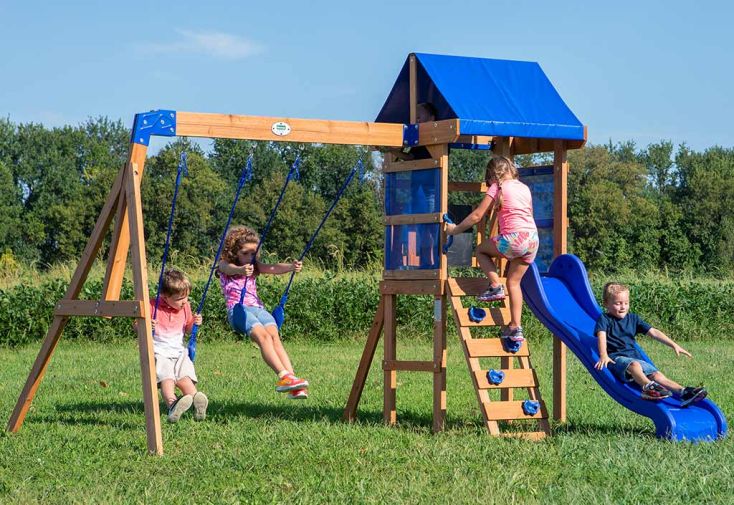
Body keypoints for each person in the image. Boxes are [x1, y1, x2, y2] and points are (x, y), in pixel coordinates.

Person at [445, 155, 538, 342]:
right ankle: (515, 327)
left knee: (480, 250)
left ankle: (495, 285)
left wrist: (454, 230)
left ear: (493, 176)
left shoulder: (499, 186)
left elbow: (477, 216)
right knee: (514, 283)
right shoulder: (524, 187)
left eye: (487, 181)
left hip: (514, 239)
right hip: (532, 241)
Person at [218, 225, 309, 399]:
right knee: (264, 337)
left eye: (253, 253)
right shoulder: (225, 264)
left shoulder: (255, 265)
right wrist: (240, 270)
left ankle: (293, 382)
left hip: (258, 308)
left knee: (275, 338)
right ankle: (283, 376)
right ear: (234, 252)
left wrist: (291, 266)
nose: (250, 257)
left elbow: (273, 268)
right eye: (245, 253)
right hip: (239, 311)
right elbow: (227, 269)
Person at [593, 282, 707, 405]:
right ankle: (648, 388)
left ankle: (683, 392)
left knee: (657, 375)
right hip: (616, 359)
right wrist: (603, 355)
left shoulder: (633, 319)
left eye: (626, 303)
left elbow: (654, 332)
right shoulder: (604, 319)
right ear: (606, 304)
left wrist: (674, 344)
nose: (623, 307)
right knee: (634, 365)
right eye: (618, 303)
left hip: (634, 357)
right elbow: (601, 335)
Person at [150, 269, 208, 423]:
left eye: (187, 296)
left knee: (185, 378)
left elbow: (187, 329)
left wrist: (194, 324)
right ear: (164, 296)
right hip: (159, 351)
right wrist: (147, 325)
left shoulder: (185, 307)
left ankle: (197, 402)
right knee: (167, 378)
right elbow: (136, 326)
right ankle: (172, 404)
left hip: (179, 351)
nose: (185, 301)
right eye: (180, 298)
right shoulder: (152, 305)